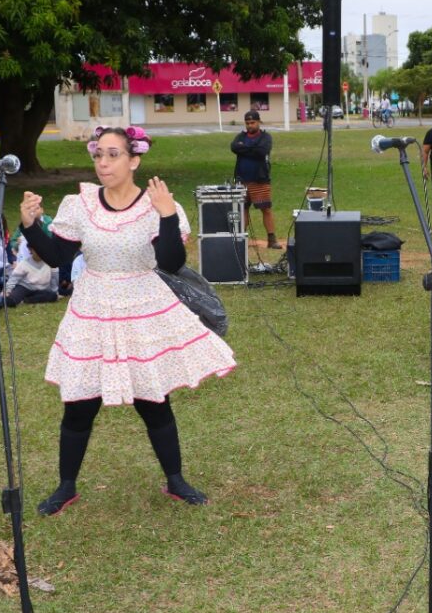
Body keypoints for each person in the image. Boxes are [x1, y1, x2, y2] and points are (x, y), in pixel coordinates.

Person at [18, 125, 237, 515]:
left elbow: (171, 262)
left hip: (142, 305)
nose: (103, 162)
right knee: (79, 403)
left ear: (134, 160)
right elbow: (57, 257)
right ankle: (65, 487)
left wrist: (166, 215)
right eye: (98, 154)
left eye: (113, 154)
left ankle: (176, 481)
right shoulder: (80, 204)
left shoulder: (157, 204)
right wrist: (30, 225)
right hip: (93, 307)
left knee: (153, 400)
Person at [230, 110, 280, 249]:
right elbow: (234, 147)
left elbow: (262, 151)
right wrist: (252, 149)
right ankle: (241, 238)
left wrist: (244, 148)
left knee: (266, 209)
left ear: (259, 122)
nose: (250, 125)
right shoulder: (241, 136)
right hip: (242, 180)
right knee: (243, 209)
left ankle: (272, 239)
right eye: (247, 123)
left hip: (260, 180)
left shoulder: (265, 137)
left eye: (252, 122)